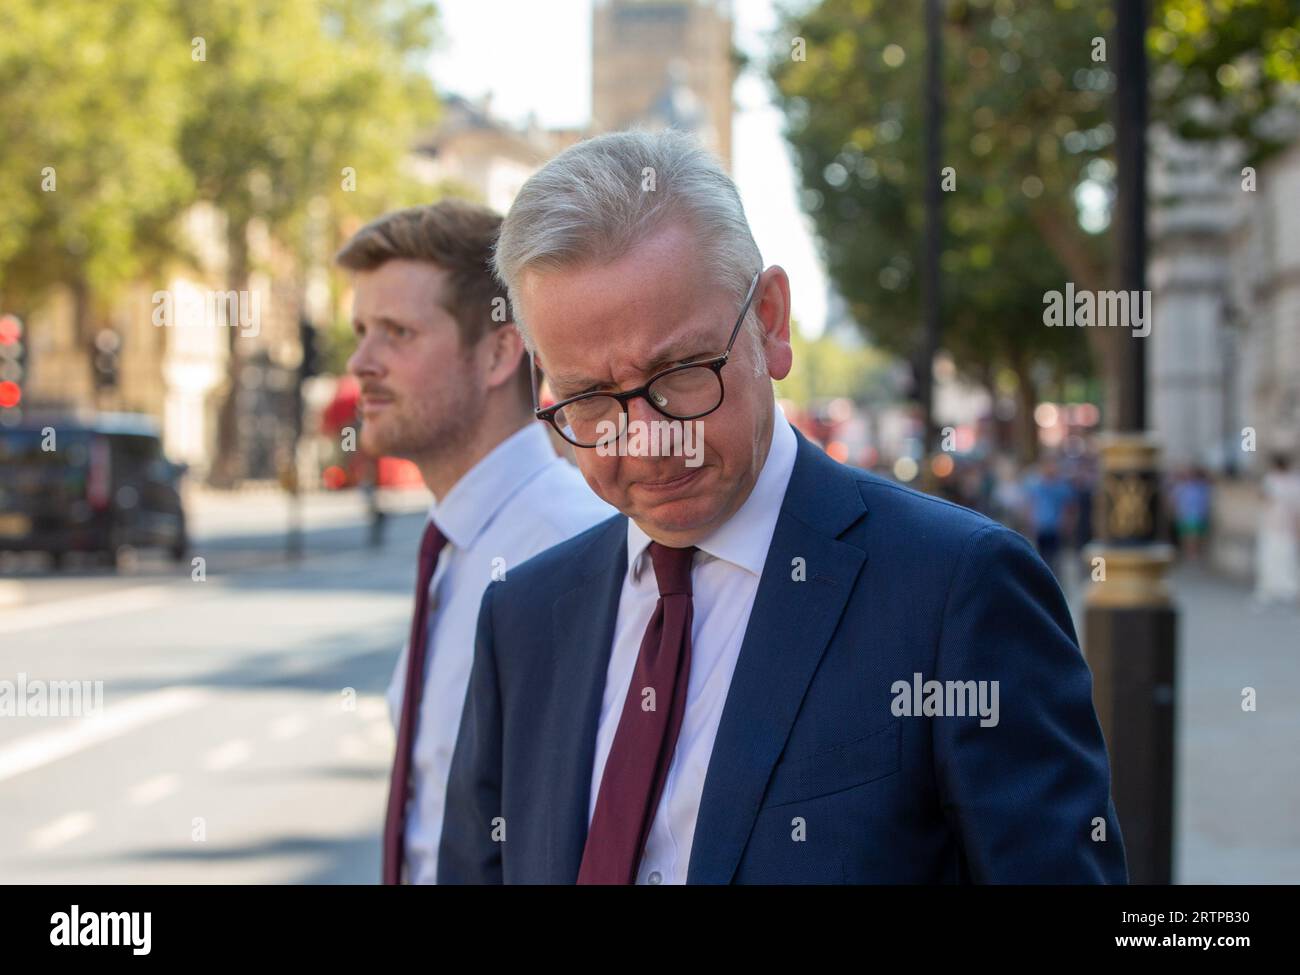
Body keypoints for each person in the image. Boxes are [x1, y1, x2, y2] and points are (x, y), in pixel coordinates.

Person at [438, 130, 1126, 884]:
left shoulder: (958, 591)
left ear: (769, 321)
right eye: (592, 399)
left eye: (680, 372)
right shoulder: (523, 617)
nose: (647, 440)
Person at [336, 201, 612, 884]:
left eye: (396, 332)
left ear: (497, 351)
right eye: (361, 330)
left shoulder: (571, 550)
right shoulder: (457, 543)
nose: (361, 362)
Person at [1253, 455, 1300, 605]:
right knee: (1283, 558)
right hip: (1282, 526)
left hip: (1277, 526)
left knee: (1276, 558)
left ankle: (1278, 588)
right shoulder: (1293, 481)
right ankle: (1283, 588)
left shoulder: (1273, 480)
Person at [1021, 456, 1075, 578]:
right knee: (1042, 557)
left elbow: (1068, 507)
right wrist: (1030, 521)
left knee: (1056, 558)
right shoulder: (1036, 485)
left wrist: (1067, 524)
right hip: (1041, 527)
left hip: (1055, 527)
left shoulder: (1062, 487)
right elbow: (1030, 504)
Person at [1171, 467, 1212, 561]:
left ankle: (1193, 554)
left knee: (1194, 535)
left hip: (1195, 514)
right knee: (1187, 535)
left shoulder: (1201, 486)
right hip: (1185, 514)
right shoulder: (1182, 486)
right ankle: (1189, 553)